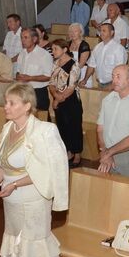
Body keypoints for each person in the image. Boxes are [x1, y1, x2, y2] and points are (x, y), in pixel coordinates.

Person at [0, 83, 69, 257]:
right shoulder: (8, 128)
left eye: (11, 103)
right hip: (11, 198)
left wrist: (14, 184)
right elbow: (4, 163)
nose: (6, 107)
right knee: (24, 244)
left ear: (27, 106)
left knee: (37, 244)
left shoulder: (45, 131)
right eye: (6, 102)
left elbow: (48, 170)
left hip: (34, 197)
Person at [47, 39, 83, 167]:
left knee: (74, 127)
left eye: (55, 49)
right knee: (62, 127)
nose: (53, 52)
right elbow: (51, 83)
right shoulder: (56, 63)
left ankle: (77, 154)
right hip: (58, 97)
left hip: (71, 100)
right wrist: (55, 95)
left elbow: (71, 87)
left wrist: (57, 99)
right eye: (52, 49)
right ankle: (68, 152)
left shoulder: (74, 65)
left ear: (65, 49)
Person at [16, 28, 54, 111]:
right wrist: (18, 76)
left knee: (40, 116)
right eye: (21, 37)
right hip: (24, 91)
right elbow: (18, 70)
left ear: (34, 39)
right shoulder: (22, 53)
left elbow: (48, 76)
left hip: (38, 92)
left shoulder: (44, 55)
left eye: (26, 37)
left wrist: (30, 78)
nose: (23, 40)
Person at [81, 23, 128, 90]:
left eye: (104, 31)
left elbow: (121, 70)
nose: (101, 33)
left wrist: (112, 85)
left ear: (112, 33)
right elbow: (91, 65)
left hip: (114, 85)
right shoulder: (97, 47)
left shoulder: (119, 49)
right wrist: (85, 80)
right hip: (100, 84)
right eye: (100, 31)